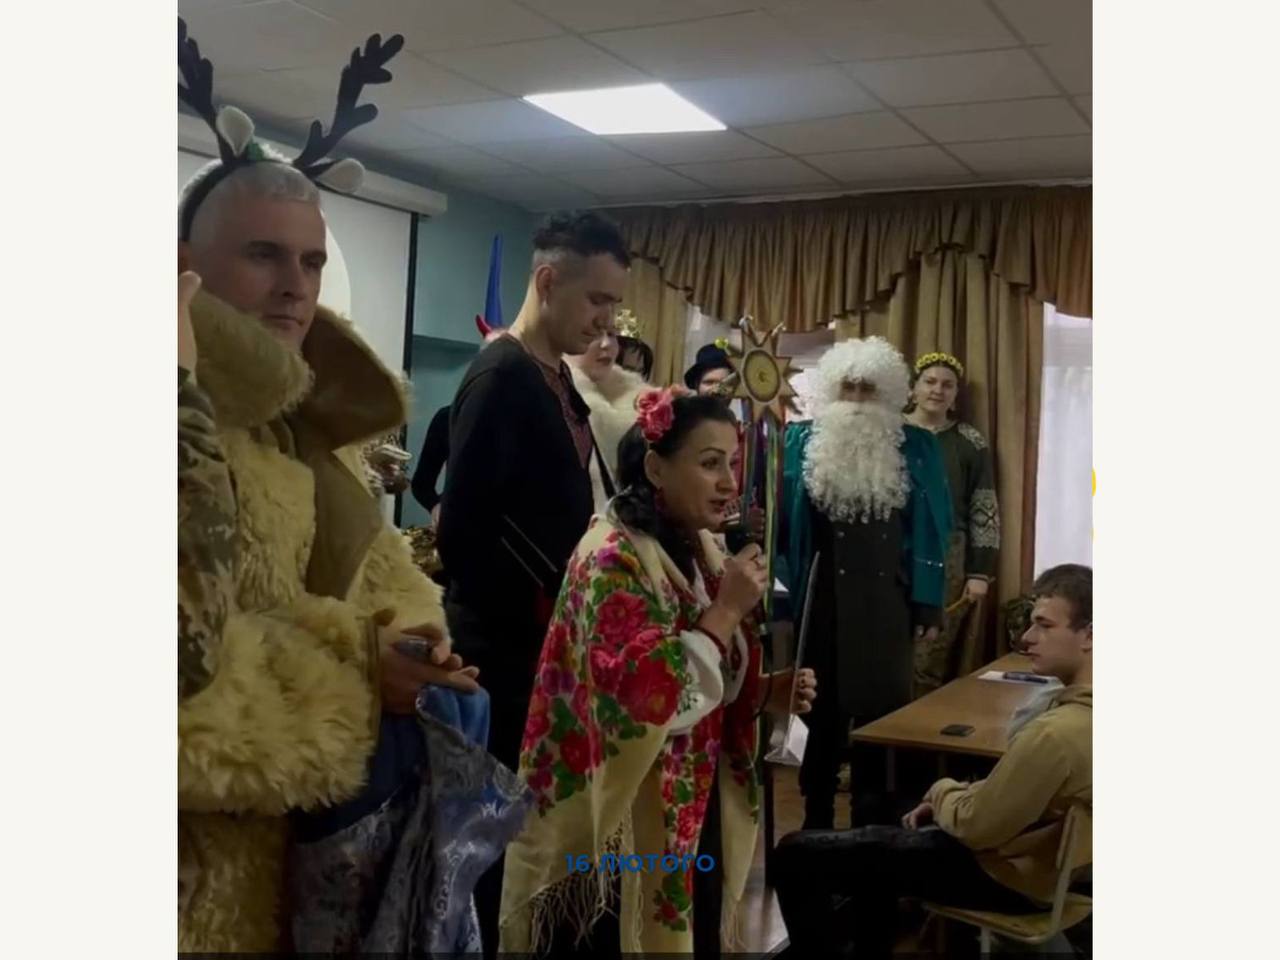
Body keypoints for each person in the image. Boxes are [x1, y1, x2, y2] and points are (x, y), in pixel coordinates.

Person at [176, 23, 482, 950]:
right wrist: (357, 676)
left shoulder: (312, 437)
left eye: (310, 261)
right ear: (183, 263)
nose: (295, 286)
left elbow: (399, 592)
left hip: (324, 889)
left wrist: (415, 655)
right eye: (263, 255)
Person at [500, 389, 816, 958]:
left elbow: (708, 670)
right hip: (616, 825)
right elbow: (639, 700)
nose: (729, 483)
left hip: (688, 801)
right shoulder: (610, 557)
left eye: (733, 463)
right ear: (654, 468)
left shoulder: (700, 550)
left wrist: (762, 692)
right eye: (710, 463)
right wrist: (726, 612)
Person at [438, 210, 631, 958]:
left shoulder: (556, 379)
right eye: (597, 299)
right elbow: (462, 535)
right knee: (500, 850)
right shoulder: (502, 376)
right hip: (507, 658)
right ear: (548, 281)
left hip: (547, 653)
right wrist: (547, 613)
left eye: (614, 302)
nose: (608, 320)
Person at [773, 564, 1093, 958]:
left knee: (795, 854)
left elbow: (977, 827)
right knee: (878, 822)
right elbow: (1014, 793)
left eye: (1044, 625)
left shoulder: (1056, 734)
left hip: (1007, 876)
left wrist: (942, 792)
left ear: (1090, 635)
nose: (1027, 638)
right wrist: (958, 796)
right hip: (1041, 867)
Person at [782, 337, 952, 830]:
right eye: (848, 387)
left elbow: (934, 526)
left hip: (887, 602)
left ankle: (871, 820)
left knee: (881, 716)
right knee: (819, 712)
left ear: (888, 392)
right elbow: (781, 522)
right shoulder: (799, 441)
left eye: (867, 388)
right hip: (822, 599)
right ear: (832, 389)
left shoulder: (915, 444)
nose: (857, 398)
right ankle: (815, 817)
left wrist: (928, 601)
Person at [907, 351, 1001, 692]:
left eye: (947, 385)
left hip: (949, 555)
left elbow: (984, 505)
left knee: (930, 652)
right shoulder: (890, 432)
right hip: (895, 549)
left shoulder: (969, 442)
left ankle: (918, 722)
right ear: (914, 388)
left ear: (956, 394)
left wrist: (980, 572)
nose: (937, 390)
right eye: (930, 382)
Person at [411, 327, 507, 526]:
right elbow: (421, 485)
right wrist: (435, 506)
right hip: (458, 529)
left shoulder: (529, 422)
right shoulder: (447, 418)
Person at [567, 328, 648, 510]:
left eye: (611, 334)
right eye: (594, 334)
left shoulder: (640, 399)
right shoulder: (560, 401)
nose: (607, 344)